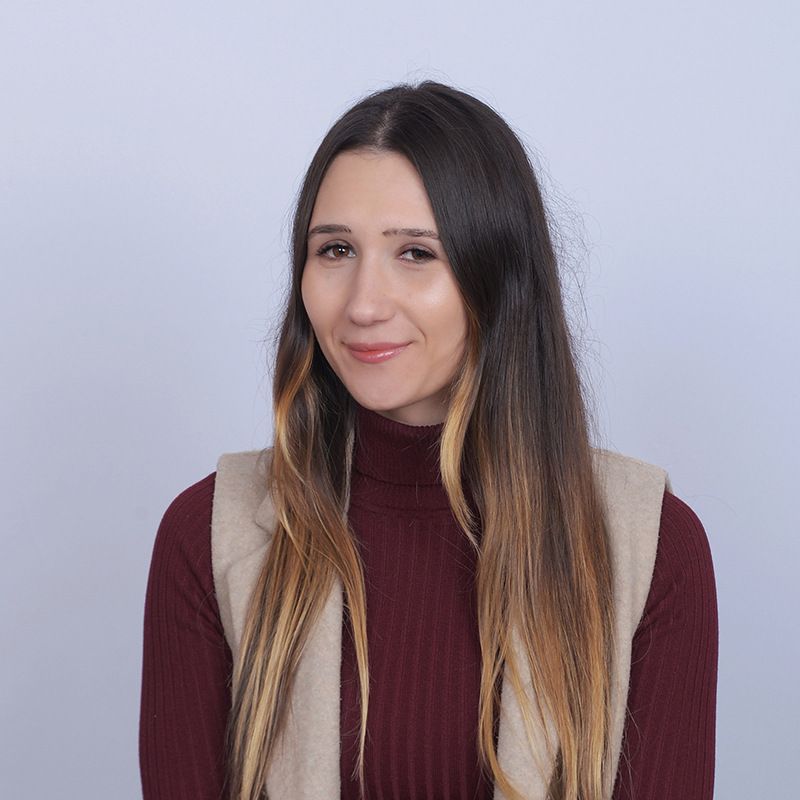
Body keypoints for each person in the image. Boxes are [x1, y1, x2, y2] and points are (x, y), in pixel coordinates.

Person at [140, 82, 717, 800]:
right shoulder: (209, 536)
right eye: (336, 249)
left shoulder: (649, 546)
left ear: (496, 277)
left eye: (415, 252)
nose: (363, 304)